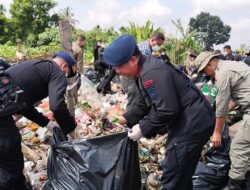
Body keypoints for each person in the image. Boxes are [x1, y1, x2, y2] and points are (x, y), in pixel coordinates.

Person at [103, 34, 215, 190]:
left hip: (193, 123)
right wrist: (123, 119)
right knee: (181, 174)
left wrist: (143, 128)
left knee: (174, 173)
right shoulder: (143, 71)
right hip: (191, 119)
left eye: (119, 66)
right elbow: (143, 103)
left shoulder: (152, 72)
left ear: (133, 60)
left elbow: (168, 109)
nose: (117, 71)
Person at [0, 52, 77, 189]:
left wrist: (48, 124)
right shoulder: (56, 71)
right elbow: (57, 106)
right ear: (65, 67)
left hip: (3, 116)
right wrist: (71, 128)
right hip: (2, 120)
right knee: (11, 161)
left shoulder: (34, 67)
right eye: (68, 74)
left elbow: (25, 106)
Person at [195, 51, 250, 190]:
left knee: (238, 147)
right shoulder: (234, 64)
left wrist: (217, 132)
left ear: (209, 64)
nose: (207, 75)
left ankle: (234, 185)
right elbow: (237, 98)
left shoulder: (222, 73)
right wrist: (218, 114)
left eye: (204, 71)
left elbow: (222, 105)